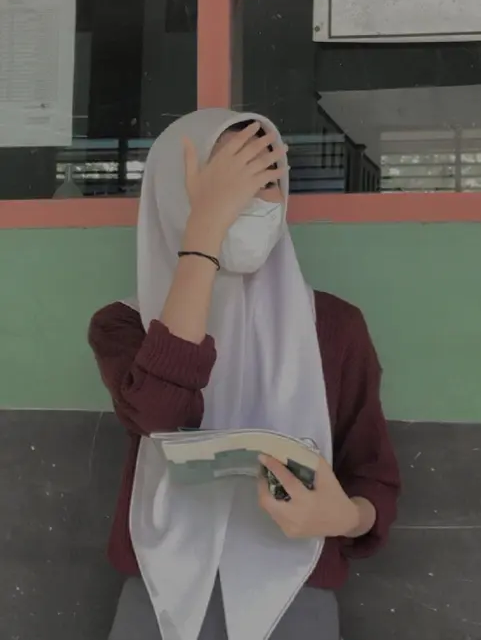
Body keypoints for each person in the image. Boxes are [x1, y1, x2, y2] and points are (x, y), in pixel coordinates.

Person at [89, 109, 401, 640]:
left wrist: (345, 518)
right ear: (172, 193)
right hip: (160, 594)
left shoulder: (335, 326)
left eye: (269, 181)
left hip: (296, 589)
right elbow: (162, 417)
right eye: (229, 184)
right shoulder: (124, 325)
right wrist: (203, 235)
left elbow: (374, 476)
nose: (254, 201)